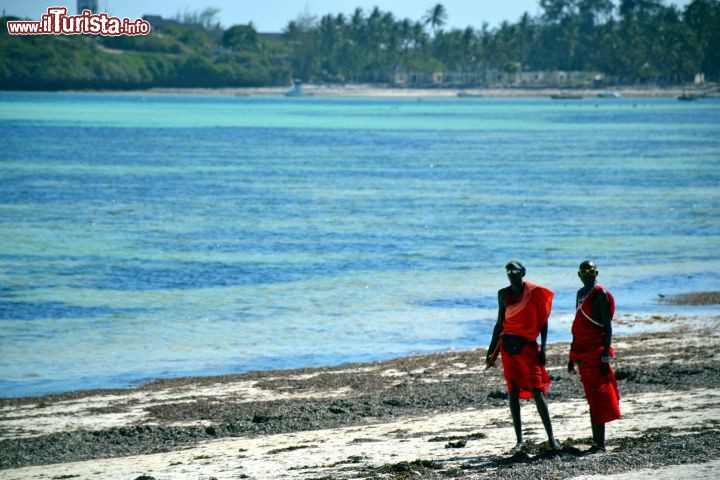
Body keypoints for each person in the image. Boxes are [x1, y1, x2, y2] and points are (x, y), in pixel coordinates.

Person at [486, 260, 560, 451]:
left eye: (514, 270)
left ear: (523, 273)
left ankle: (552, 439)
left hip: (528, 347)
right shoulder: (503, 294)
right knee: (513, 392)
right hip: (507, 348)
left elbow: (543, 321)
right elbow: (499, 324)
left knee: (537, 390)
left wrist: (543, 349)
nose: (511, 273)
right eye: (508, 270)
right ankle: (519, 441)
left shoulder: (534, 293)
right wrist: (490, 351)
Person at [568, 260, 621, 453]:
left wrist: (605, 357)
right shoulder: (580, 294)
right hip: (582, 353)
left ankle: (600, 444)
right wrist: (571, 355)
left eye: (591, 270)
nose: (587, 273)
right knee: (592, 399)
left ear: (596, 273)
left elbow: (607, 328)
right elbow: (578, 325)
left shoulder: (600, 295)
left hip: (597, 353)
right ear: (579, 274)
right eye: (584, 271)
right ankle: (596, 442)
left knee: (599, 399)